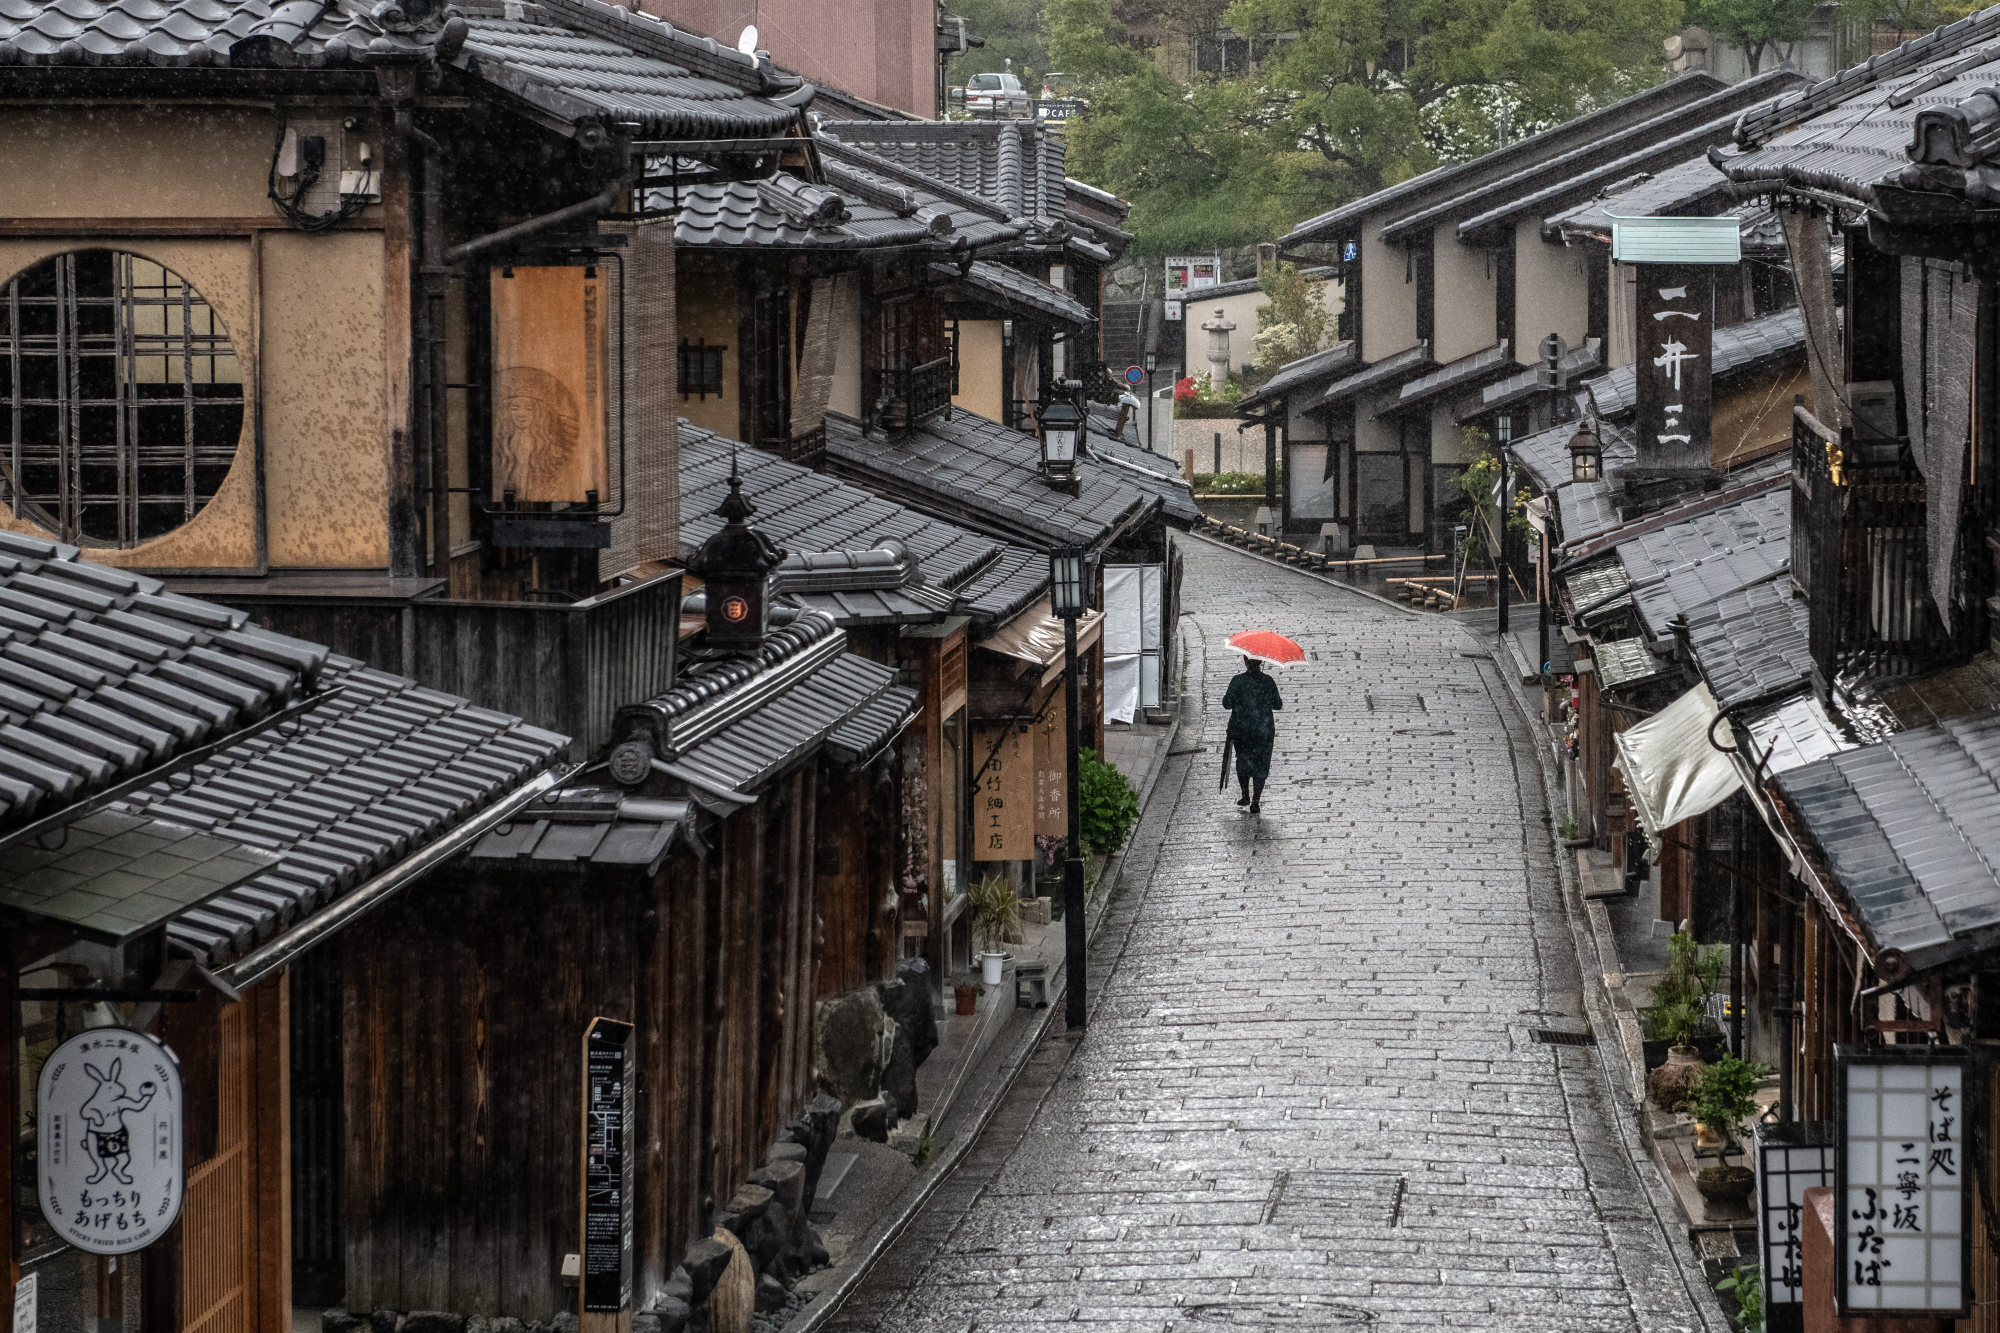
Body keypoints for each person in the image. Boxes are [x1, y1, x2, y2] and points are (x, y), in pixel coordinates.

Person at [1221, 656, 1282, 813]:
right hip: (1263, 730)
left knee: (1243, 760)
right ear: (1260, 662)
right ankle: (1256, 800)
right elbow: (1278, 704)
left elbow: (1226, 704)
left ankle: (1245, 795)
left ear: (1245, 661)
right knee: (1261, 763)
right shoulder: (1268, 681)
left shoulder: (1237, 681)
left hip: (1242, 730)